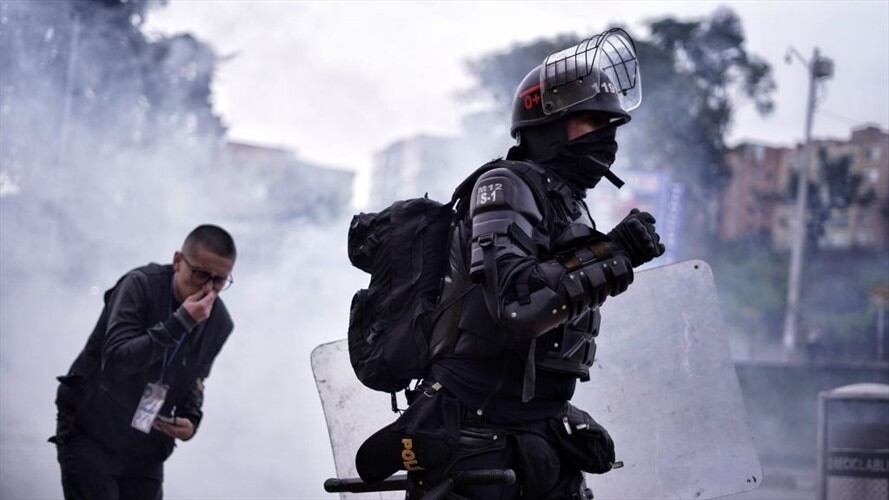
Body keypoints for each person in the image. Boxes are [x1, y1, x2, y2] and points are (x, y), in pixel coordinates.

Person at [423, 31, 665, 498]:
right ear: (548, 124)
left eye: (611, 125)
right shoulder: (505, 185)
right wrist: (616, 253)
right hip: (477, 438)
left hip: (531, 427)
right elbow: (518, 307)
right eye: (592, 121)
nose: (607, 136)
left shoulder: (567, 201)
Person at [50, 224, 237, 500]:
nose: (208, 288)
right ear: (177, 262)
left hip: (145, 439)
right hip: (92, 428)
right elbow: (116, 360)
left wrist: (191, 420)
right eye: (199, 274)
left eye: (219, 281)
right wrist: (181, 322)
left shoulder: (219, 322)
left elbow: (196, 381)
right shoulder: (140, 285)